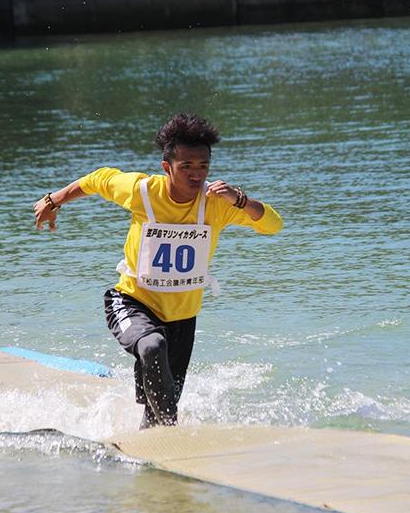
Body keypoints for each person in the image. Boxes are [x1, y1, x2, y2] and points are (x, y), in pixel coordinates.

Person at [32, 113, 283, 428]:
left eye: (203, 166)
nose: (196, 174)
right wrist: (53, 201)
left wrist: (240, 199)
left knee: (157, 412)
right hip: (131, 302)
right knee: (153, 346)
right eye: (186, 166)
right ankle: (171, 438)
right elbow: (98, 179)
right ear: (167, 167)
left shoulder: (217, 203)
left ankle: (150, 446)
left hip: (182, 320)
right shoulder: (143, 191)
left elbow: (273, 224)